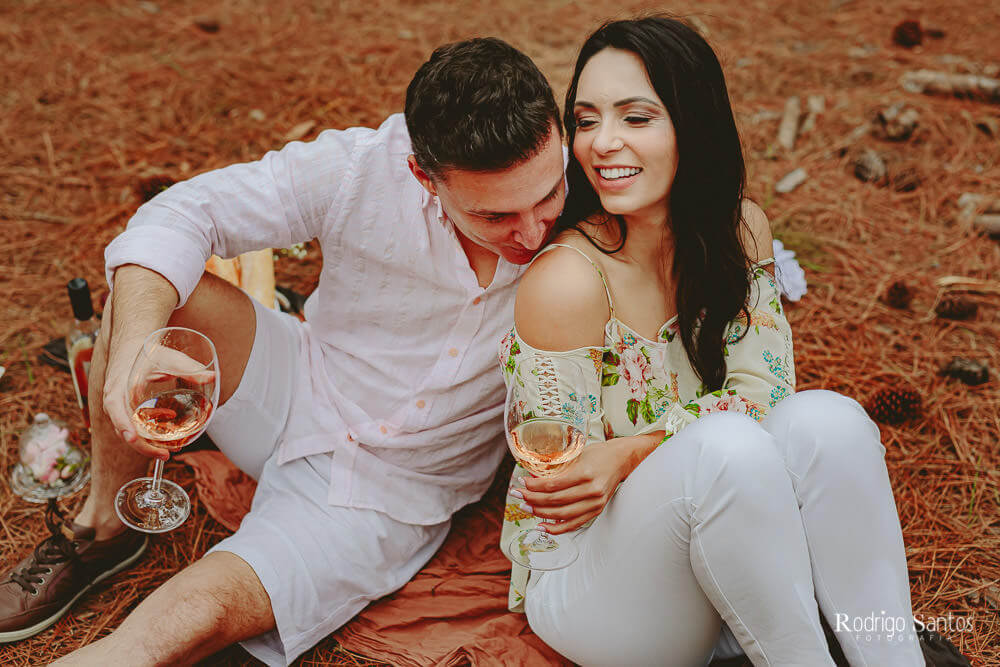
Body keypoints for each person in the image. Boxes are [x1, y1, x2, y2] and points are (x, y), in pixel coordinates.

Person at [0, 37, 570, 665]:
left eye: (547, 196)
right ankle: (106, 526)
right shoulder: (361, 167)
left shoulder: (597, 205)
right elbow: (183, 214)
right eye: (494, 216)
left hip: (392, 491)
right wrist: (134, 344)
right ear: (421, 174)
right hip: (300, 381)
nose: (533, 232)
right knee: (154, 299)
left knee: (188, 621)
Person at [497, 16, 925, 666]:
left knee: (828, 421)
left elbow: (767, 393)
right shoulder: (567, 282)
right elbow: (566, 503)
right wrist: (646, 459)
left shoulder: (738, 228)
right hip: (600, 590)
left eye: (635, 118)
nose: (601, 143)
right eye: (585, 120)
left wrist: (632, 452)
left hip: (741, 561)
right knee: (729, 447)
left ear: (691, 126)